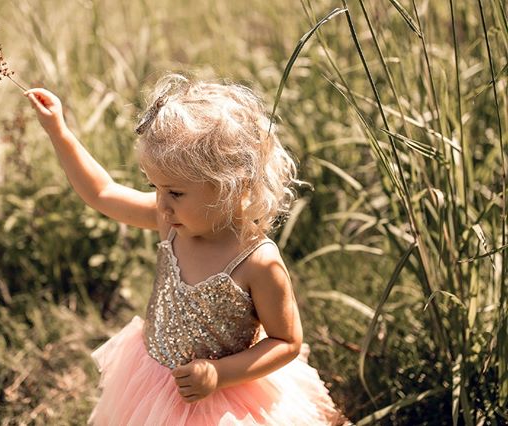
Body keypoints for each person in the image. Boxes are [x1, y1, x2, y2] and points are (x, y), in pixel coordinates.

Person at [24, 74, 343, 425]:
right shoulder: (171, 221)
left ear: (231, 188)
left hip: (224, 398)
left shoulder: (257, 261)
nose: (161, 204)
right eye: (155, 188)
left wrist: (219, 374)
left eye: (174, 193)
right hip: (153, 379)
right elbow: (103, 193)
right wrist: (58, 131)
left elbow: (286, 342)